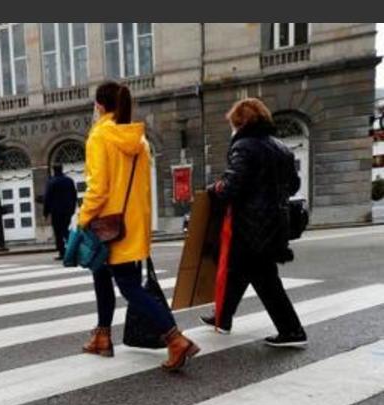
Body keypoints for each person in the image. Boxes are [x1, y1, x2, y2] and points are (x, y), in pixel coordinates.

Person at [78, 81, 200, 372]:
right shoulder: (138, 140)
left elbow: (98, 188)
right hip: (131, 225)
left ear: (99, 106)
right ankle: (102, 335)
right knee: (101, 274)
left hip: (106, 225)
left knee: (130, 287)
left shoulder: (100, 136)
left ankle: (175, 338)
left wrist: (83, 218)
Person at [203, 98, 307, 347]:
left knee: (264, 279)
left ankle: (292, 331)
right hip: (274, 223)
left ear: (239, 123)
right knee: (238, 272)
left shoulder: (244, 146)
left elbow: (232, 187)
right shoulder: (281, 147)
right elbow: (294, 185)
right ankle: (222, 318)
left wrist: (213, 189)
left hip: (250, 225)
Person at [43, 164, 78, 260]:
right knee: (67, 232)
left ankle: (62, 252)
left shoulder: (51, 182)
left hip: (56, 212)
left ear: (53, 170)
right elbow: (74, 195)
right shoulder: (69, 181)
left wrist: (45, 213)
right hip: (68, 211)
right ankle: (72, 251)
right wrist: (73, 208)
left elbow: (47, 198)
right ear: (62, 169)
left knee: (58, 233)